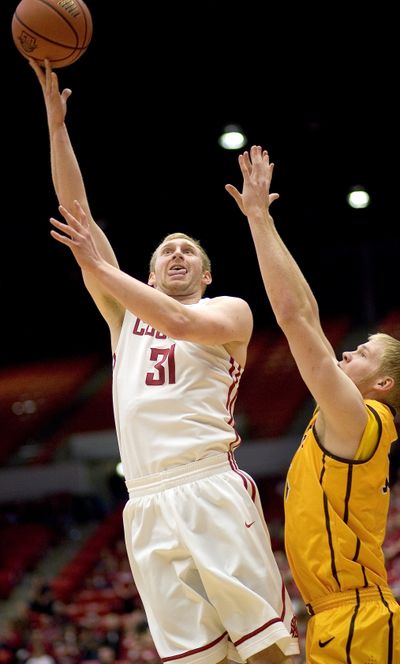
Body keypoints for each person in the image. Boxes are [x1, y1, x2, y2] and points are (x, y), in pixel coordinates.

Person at [29, 61, 300, 664]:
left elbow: (178, 321)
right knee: (199, 658)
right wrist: (55, 128)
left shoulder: (228, 311)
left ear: (206, 274)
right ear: (148, 274)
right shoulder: (125, 318)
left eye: (189, 251)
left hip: (208, 486)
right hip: (144, 501)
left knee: (265, 651)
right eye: (165, 251)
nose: (177, 253)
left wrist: (100, 267)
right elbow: (79, 213)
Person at [226, 144, 400, 663]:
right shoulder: (344, 421)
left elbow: (295, 317)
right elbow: (305, 314)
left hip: (359, 620)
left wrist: (259, 219)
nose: (349, 349)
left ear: (385, 386)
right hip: (335, 619)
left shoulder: (362, 418)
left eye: (365, 351)